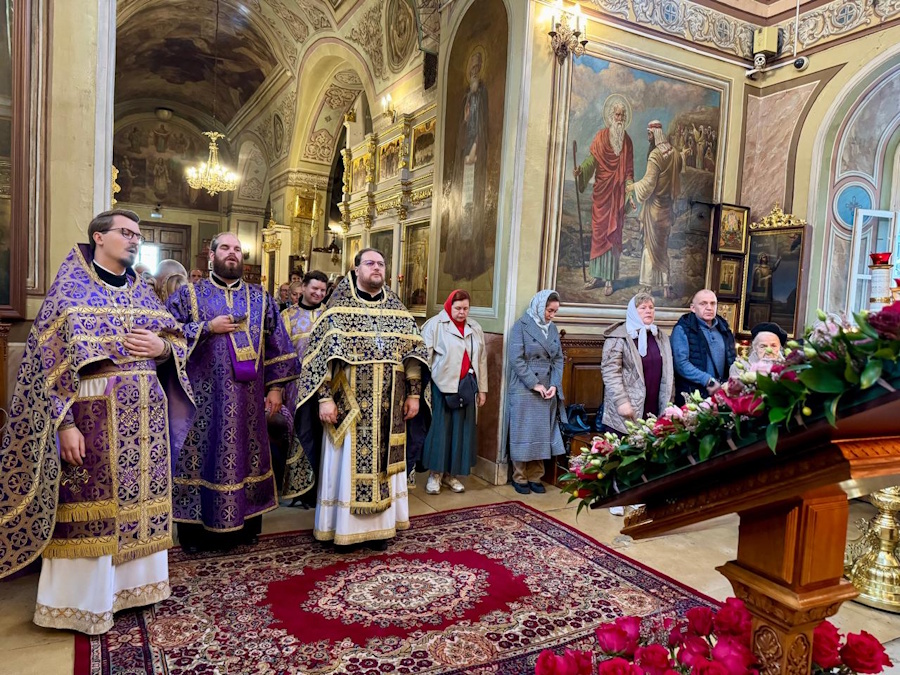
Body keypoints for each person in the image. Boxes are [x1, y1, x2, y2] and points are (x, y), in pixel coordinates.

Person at [0, 209, 195, 634]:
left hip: (146, 420)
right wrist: (65, 424)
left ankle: (137, 589)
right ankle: (83, 603)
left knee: (139, 501)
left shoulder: (143, 290)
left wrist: (161, 348)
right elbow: (47, 364)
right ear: (99, 237)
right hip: (93, 416)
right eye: (126, 233)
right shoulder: (69, 291)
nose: (134, 240)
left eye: (137, 235)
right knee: (91, 504)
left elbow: (175, 338)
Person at [165, 232, 301, 552]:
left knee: (247, 458)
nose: (232, 253)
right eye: (225, 248)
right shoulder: (189, 295)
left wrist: (276, 388)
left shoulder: (260, 298)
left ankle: (246, 527)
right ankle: (195, 534)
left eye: (237, 249)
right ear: (211, 256)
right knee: (201, 458)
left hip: (248, 403)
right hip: (202, 401)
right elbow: (166, 335)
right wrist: (206, 328)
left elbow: (279, 344)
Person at [295, 248, 428, 550]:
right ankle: (343, 530)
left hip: (390, 409)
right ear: (356, 270)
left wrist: (414, 394)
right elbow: (320, 359)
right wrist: (324, 399)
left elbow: (413, 355)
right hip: (349, 408)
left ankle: (380, 530)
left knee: (384, 468)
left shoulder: (398, 310)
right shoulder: (337, 309)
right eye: (370, 263)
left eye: (381, 263)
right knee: (346, 469)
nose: (376, 268)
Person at [601, 293, 674, 516]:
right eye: (642, 308)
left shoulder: (660, 336)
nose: (648, 311)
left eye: (651, 307)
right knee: (619, 451)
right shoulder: (619, 337)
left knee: (642, 449)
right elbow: (610, 372)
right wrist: (621, 401)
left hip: (651, 402)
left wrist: (668, 402)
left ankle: (634, 493)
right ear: (633, 311)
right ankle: (615, 496)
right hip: (626, 404)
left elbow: (668, 371)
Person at [420, 289, 488, 495]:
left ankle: (451, 475)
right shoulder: (435, 325)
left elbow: (481, 360)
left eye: (465, 308)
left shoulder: (475, 328)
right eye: (458, 308)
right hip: (441, 388)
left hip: (466, 387)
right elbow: (424, 357)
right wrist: (421, 388)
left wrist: (482, 389)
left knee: (461, 433)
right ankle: (435, 475)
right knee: (440, 432)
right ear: (449, 306)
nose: (462, 312)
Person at [506, 290, 566, 494]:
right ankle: (519, 477)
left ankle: (536, 476)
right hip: (524, 386)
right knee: (523, 431)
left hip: (547, 386)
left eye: (555, 311)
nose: (552, 315)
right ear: (540, 307)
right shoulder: (521, 326)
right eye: (549, 310)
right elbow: (516, 359)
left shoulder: (552, 328)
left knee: (541, 432)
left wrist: (554, 384)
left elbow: (558, 359)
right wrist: (534, 384)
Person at [574, 96, 635, 295]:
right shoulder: (600, 137)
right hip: (602, 194)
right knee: (599, 234)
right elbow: (591, 161)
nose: (620, 118)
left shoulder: (627, 142)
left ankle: (609, 280)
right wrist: (581, 171)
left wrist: (630, 190)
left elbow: (629, 171)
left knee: (613, 235)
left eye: (622, 115)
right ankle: (596, 276)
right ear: (610, 116)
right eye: (617, 115)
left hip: (617, 196)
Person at [278, 270, 329, 503]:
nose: (318, 293)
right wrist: (278, 386)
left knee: (323, 435)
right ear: (304, 288)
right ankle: (300, 489)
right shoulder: (287, 316)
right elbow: (280, 352)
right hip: (295, 386)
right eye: (314, 288)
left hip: (326, 386)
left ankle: (322, 488)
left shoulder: (330, 315)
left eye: (322, 290)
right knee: (300, 433)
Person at [444, 48, 489, 281]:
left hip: (475, 159)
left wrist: (475, 149)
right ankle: (458, 264)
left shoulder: (481, 94)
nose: (474, 71)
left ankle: (470, 263)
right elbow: (464, 126)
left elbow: (482, 127)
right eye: (471, 67)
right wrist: (466, 116)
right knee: (460, 212)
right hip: (463, 161)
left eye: (477, 67)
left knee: (471, 211)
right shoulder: (466, 97)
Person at [632, 120, 681, 299]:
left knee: (650, 246)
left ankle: (647, 287)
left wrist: (633, 186)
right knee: (663, 247)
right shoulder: (675, 154)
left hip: (654, 209)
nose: (648, 138)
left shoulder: (655, 155)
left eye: (649, 134)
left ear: (655, 134)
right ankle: (666, 287)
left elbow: (648, 184)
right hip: (667, 208)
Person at [671, 289, 736, 403]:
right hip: (692, 394)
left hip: (720, 394)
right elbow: (681, 364)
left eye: (713, 303)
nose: (709, 308)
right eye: (703, 303)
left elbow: (731, 358)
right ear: (693, 308)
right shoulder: (683, 329)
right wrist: (707, 380)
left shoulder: (723, 328)